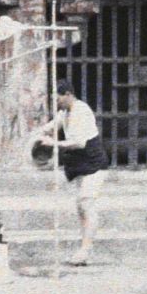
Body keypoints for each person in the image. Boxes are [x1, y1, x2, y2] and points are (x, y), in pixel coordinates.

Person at [34, 83, 110, 266]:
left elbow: (79, 143)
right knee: (80, 206)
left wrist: (54, 143)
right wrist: (39, 134)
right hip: (81, 164)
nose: (56, 102)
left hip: (94, 162)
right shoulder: (65, 112)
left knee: (86, 203)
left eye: (58, 98)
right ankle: (84, 249)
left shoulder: (81, 111)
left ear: (68, 94)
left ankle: (85, 250)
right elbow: (53, 125)